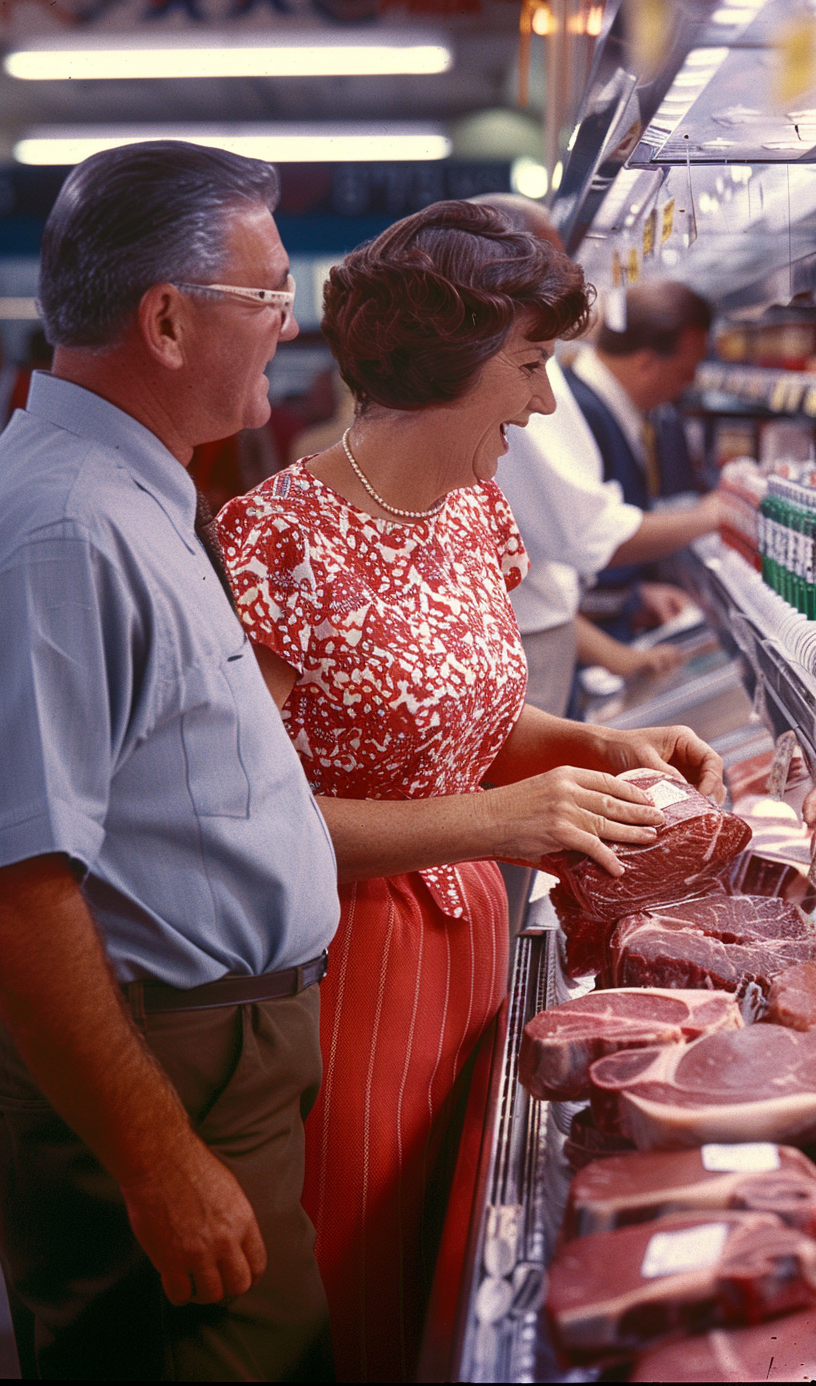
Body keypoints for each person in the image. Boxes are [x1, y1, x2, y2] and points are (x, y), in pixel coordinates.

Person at [217, 200, 724, 1382]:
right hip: (340, 966)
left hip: (473, 943)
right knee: (360, 1272)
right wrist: (503, 820)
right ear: (454, 366)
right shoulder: (276, 539)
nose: (545, 402)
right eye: (531, 367)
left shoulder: (477, 515)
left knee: (452, 1259)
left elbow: (468, 725)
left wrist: (603, 749)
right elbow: (254, 824)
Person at [0, 141, 340, 1381]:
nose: (286, 326)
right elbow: (20, 889)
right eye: (267, 297)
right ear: (166, 318)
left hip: (215, 1063)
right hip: (162, 1078)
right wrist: (158, 1159)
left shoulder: (139, 495)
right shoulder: (69, 526)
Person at [474, 194, 725, 714]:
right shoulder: (532, 384)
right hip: (526, 650)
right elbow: (586, 539)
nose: (541, 397)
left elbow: (534, 562)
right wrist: (715, 514)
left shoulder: (536, 377)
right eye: (554, 266)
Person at [564, 279, 714, 639]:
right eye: (685, 372)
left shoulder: (613, 407)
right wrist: (711, 515)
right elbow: (593, 537)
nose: (686, 386)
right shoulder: (574, 410)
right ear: (647, 362)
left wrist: (633, 597)